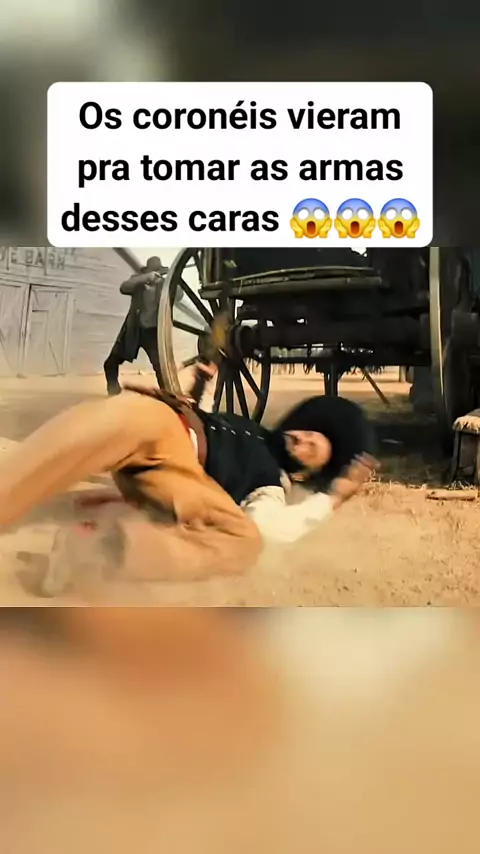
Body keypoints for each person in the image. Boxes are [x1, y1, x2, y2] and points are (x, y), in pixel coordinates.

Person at [0, 365, 377, 593]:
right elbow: (206, 419)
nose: (303, 439)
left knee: (246, 543)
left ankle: (90, 551)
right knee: (34, 468)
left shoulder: (270, 484)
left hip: (176, 477)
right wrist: (201, 384)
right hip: (157, 422)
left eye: (312, 449)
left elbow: (270, 529)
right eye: (308, 433)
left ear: (305, 473)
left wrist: (332, 499)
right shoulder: (253, 430)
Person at [103, 255, 169, 395]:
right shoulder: (138, 282)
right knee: (110, 362)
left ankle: (168, 394)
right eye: (152, 272)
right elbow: (123, 287)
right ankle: (113, 390)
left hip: (153, 332)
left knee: (161, 368)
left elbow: (179, 295)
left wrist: (166, 282)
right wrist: (145, 278)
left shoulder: (164, 285)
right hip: (135, 330)